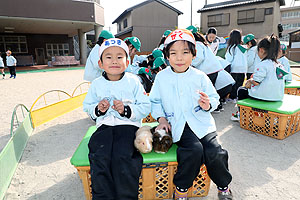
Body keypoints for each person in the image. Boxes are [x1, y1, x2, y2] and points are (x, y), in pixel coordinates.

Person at [149, 29, 233, 200]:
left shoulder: (200, 76)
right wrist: (162, 119)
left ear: (194, 55)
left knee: (214, 152)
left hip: (202, 122)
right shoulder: (162, 77)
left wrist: (208, 104)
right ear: (167, 56)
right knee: (194, 150)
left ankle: (223, 186)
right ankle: (181, 188)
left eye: (185, 52)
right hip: (179, 125)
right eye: (173, 53)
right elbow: (155, 101)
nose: (179, 58)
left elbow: (214, 98)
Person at [83, 38, 151, 199]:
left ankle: (126, 196)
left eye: (119, 57)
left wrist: (127, 110)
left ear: (127, 62)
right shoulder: (96, 84)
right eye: (108, 57)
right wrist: (98, 109)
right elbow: (87, 106)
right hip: (104, 127)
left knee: (123, 157)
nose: (114, 61)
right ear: (100, 63)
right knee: (99, 155)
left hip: (128, 127)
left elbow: (145, 106)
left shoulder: (134, 82)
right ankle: (103, 196)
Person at [231, 34, 286, 121]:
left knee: (241, 90)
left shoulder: (263, 64)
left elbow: (256, 82)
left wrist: (250, 81)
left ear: (261, 50)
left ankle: (241, 115)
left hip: (264, 96)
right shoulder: (280, 65)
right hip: (277, 96)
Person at [225, 29, 247, 103]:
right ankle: (237, 97)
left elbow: (229, 59)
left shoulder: (232, 47)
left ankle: (232, 97)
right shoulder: (243, 47)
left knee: (233, 84)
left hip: (234, 69)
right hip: (243, 69)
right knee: (240, 83)